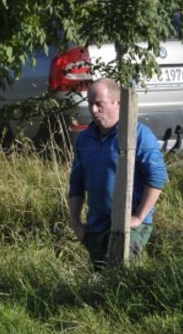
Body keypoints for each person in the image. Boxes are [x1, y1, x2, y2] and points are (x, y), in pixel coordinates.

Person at [68, 78, 168, 270]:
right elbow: (76, 182)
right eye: (90, 104)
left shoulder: (139, 135)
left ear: (118, 103)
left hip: (129, 227)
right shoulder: (85, 138)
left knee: (119, 274)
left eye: (99, 104)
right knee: (99, 278)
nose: (93, 110)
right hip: (96, 227)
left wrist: (139, 217)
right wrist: (75, 223)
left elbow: (157, 177)